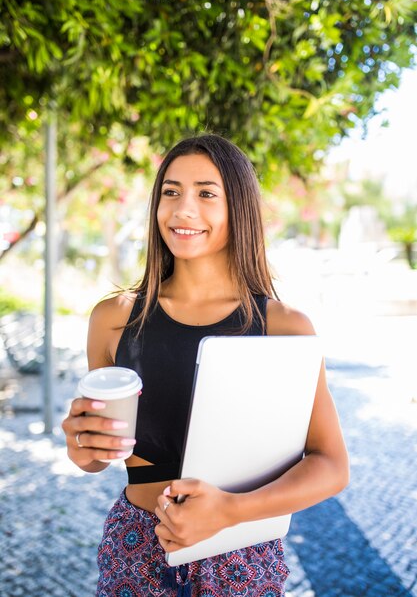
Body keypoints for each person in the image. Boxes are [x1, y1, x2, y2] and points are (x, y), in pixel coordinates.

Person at [62, 134, 349, 597]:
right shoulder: (113, 319)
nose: (183, 210)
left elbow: (331, 465)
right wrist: (83, 448)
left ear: (238, 208)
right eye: (170, 192)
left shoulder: (285, 326)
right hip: (136, 552)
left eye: (206, 193)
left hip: (241, 555)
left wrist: (229, 511)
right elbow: (98, 456)